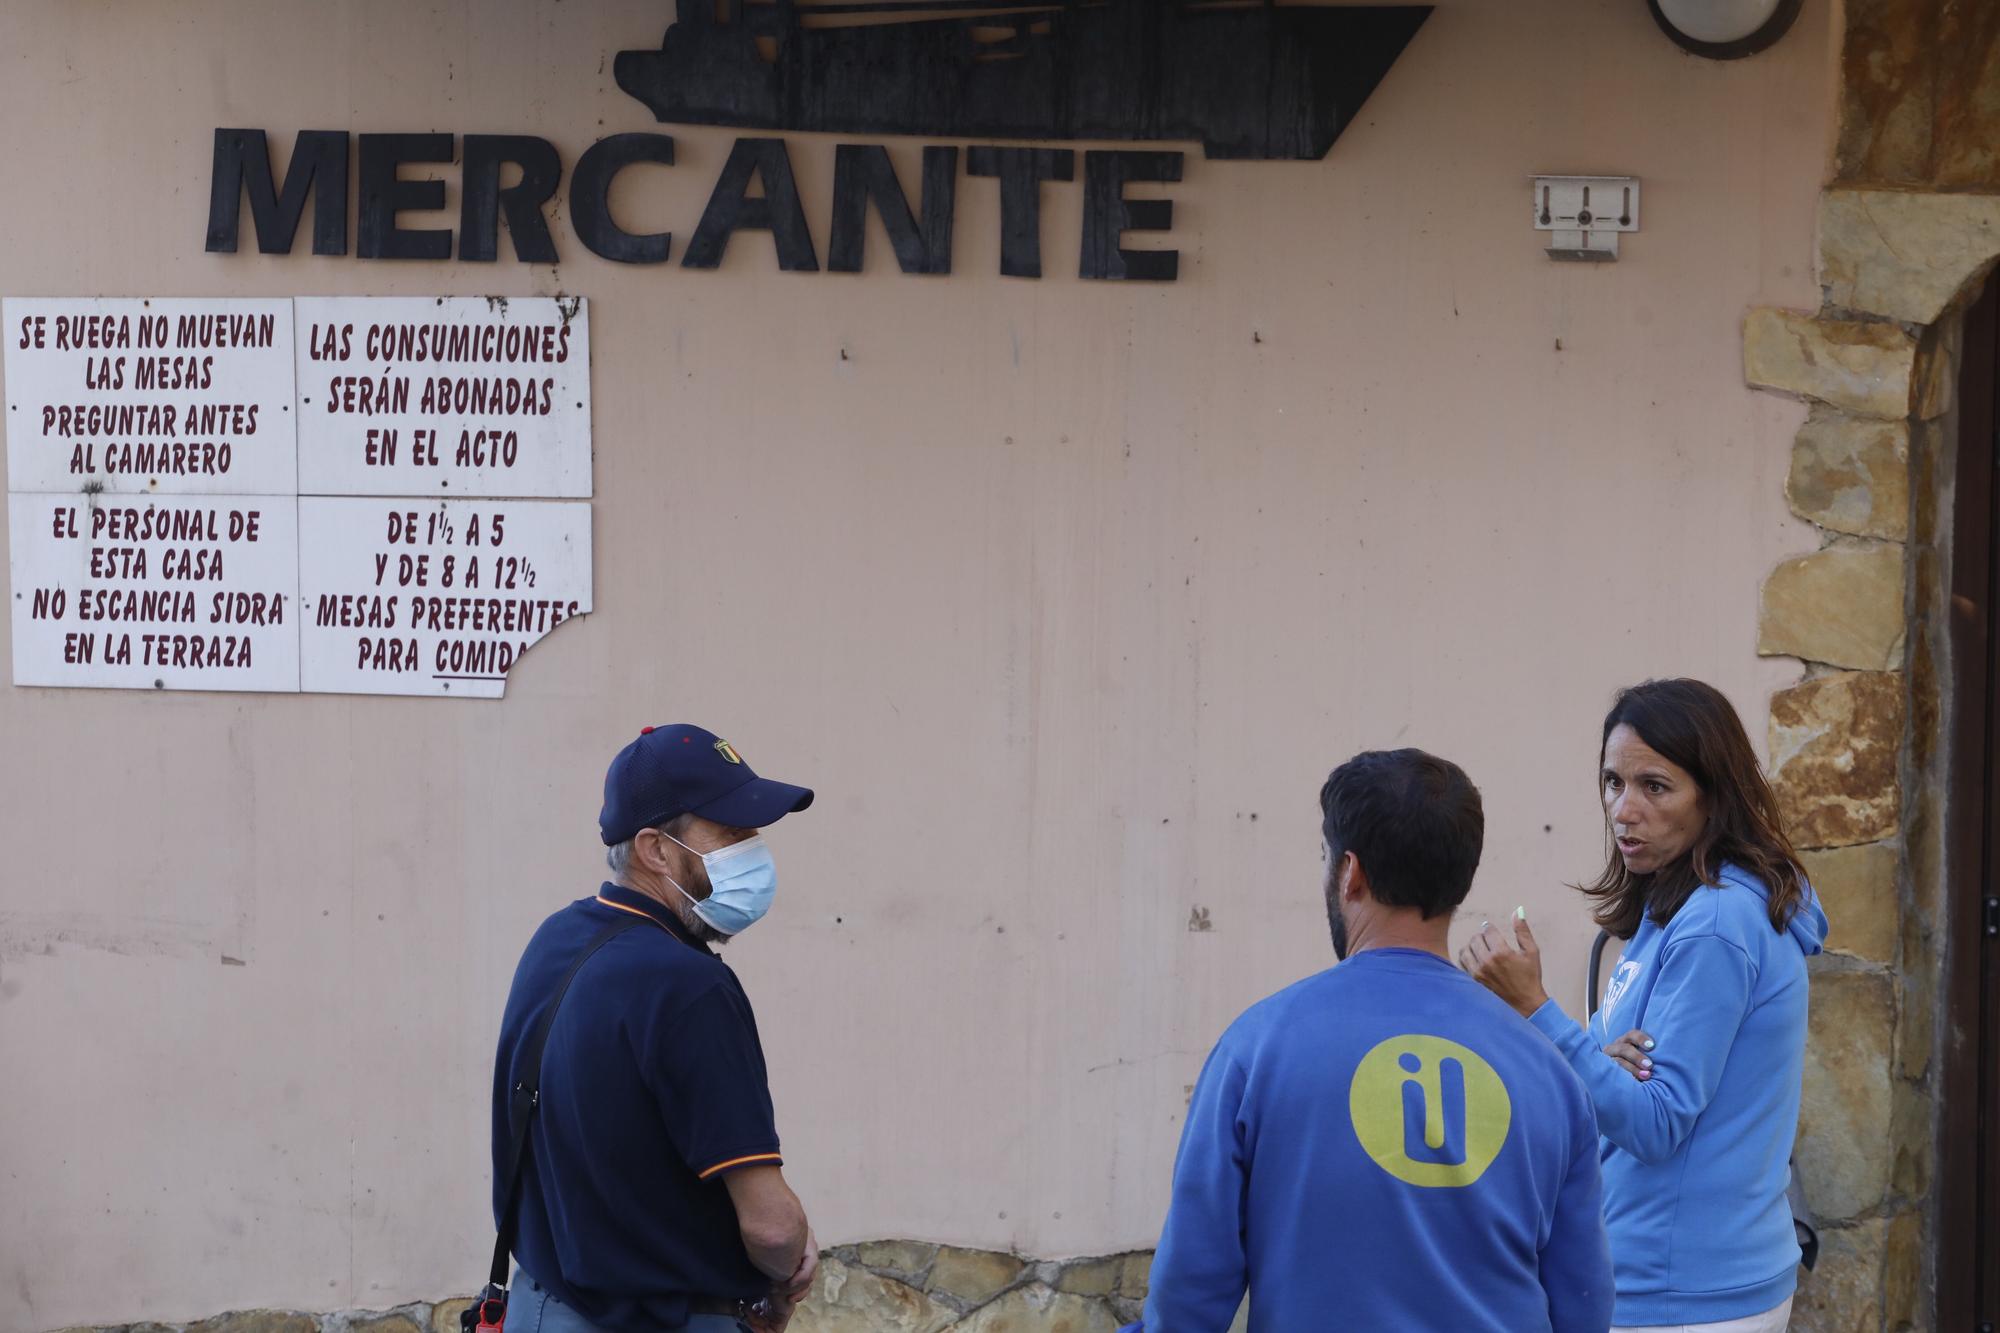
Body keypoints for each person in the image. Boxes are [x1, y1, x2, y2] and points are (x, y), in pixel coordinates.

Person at [1127, 749, 1614, 1333]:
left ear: (1349, 872)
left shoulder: (1257, 1049)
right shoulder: (1551, 1073)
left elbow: (1189, 1296)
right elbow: (1583, 1305)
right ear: (1459, 879)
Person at [1462, 679, 1829, 1333]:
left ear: (1713, 796)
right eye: (1612, 782)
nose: (1624, 810)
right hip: (1666, 1276)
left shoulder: (1716, 924)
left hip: (1685, 1291)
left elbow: (1656, 1122)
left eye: (1655, 787)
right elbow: (1610, 1075)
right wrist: (1597, 1058)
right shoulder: (1675, 905)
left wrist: (1534, 1007)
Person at [488, 723, 820, 1333]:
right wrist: (787, 1261)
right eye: (732, 833)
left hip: (540, 1310)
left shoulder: (558, 941)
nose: (753, 851)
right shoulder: (688, 984)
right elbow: (770, 1226)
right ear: (655, 849)